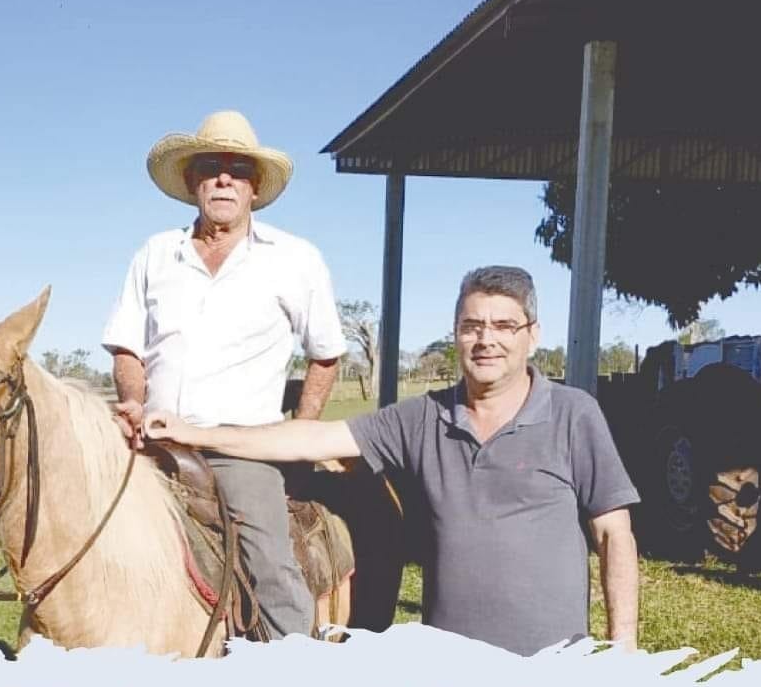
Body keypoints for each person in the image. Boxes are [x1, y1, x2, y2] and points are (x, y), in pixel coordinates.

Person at [144, 265, 641, 657]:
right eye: (472, 326)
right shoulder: (422, 418)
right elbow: (311, 439)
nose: (486, 339)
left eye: (504, 326)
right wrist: (196, 433)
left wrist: (623, 647)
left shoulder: (574, 414)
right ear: (456, 334)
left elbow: (613, 533)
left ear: (532, 335)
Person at [101, 110, 346, 639]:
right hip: (153, 439)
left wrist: (298, 435)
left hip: (241, 449)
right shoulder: (154, 255)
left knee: (269, 562)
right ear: (193, 182)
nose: (224, 179)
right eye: (211, 167)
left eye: (238, 169)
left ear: (255, 188)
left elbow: (325, 354)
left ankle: (294, 660)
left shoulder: (295, 259)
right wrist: (134, 404)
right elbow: (127, 347)